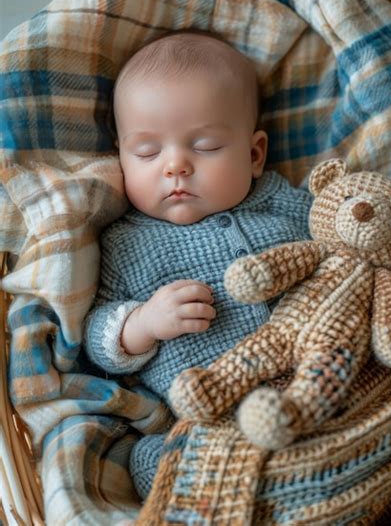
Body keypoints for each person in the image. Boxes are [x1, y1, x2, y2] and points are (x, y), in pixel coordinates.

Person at [83, 30, 314, 499]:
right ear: (122, 158)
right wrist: (143, 323)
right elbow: (96, 341)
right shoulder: (127, 243)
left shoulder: (282, 203)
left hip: (321, 380)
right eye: (147, 152)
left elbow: (348, 247)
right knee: (157, 465)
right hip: (217, 415)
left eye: (205, 146)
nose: (175, 166)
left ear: (254, 155)